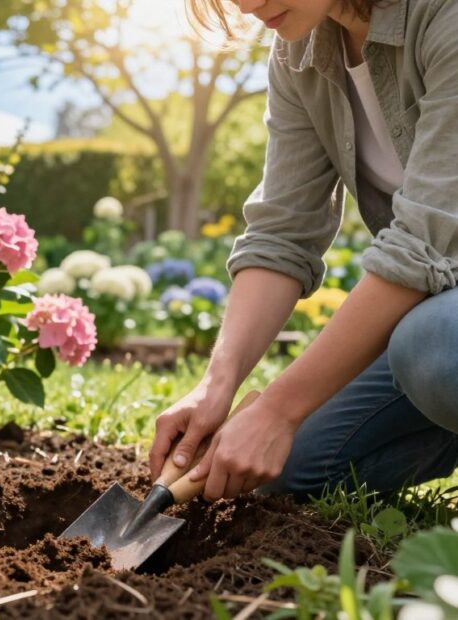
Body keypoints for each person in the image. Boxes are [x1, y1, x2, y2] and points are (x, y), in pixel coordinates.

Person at [148, 0, 458, 501]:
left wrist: (277, 409)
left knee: (438, 348)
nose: (247, 5)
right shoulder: (299, 50)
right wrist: (216, 384)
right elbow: (282, 233)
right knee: (279, 472)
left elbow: (425, 239)